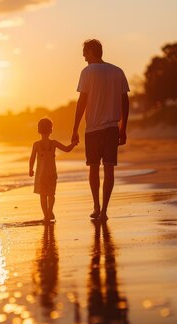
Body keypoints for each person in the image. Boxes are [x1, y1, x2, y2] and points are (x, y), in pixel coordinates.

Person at [71, 39, 130, 221]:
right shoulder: (117, 71)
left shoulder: (87, 72)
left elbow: (82, 102)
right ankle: (104, 210)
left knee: (94, 168)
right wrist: (123, 128)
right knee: (109, 169)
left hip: (93, 129)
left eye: (84, 52)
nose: (83, 57)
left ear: (90, 52)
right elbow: (125, 102)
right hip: (112, 128)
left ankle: (96, 207)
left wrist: (74, 129)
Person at [29, 118, 77, 222]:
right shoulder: (53, 143)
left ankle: (46, 216)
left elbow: (32, 158)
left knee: (43, 196)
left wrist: (30, 169)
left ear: (38, 130)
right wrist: (73, 143)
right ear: (51, 130)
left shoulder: (36, 144)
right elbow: (67, 149)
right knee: (51, 194)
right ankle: (50, 211)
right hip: (51, 174)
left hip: (41, 174)